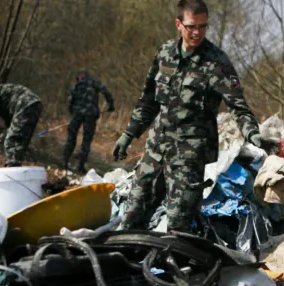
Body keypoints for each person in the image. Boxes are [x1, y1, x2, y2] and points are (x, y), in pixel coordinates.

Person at [113, 0, 270, 232]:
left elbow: (238, 106)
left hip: (189, 157)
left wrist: (252, 133)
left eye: (203, 26)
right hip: (156, 149)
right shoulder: (165, 53)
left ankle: (177, 267)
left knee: (178, 226)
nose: (197, 32)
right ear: (178, 24)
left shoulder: (217, 62)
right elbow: (148, 100)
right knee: (132, 216)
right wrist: (129, 134)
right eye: (191, 26)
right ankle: (127, 262)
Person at [0, 83, 43, 166]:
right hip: (35, 105)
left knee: (11, 141)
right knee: (20, 141)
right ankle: (16, 166)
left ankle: (12, 167)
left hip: (24, 104)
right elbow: (11, 127)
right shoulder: (4, 98)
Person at [62, 70, 115, 173]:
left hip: (77, 114)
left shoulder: (77, 86)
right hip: (90, 114)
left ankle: (65, 162)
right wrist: (111, 105)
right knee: (86, 140)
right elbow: (106, 92)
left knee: (71, 138)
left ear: (79, 77)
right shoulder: (94, 82)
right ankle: (80, 166)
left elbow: (70, 101)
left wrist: (72, 112)